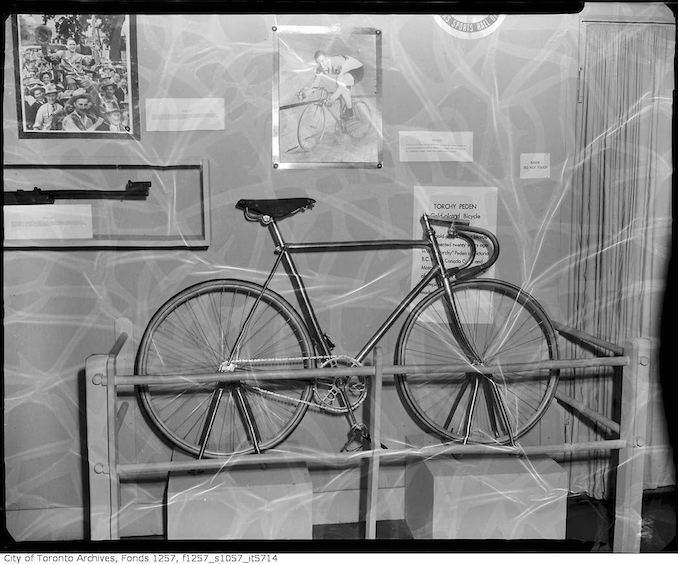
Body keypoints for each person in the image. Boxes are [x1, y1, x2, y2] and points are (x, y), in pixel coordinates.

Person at [310, 50, 364, 118]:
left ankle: (350, 111)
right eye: (319, 63)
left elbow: (342, 84)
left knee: (341, 85)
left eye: (322, 60)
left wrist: (332, 99)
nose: (322, 64)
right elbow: (316, 82)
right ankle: (349, 111)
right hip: (345, 72)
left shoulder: (336, 61)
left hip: (356, 70)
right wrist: (308, 92)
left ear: (327, 57)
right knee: (343, 89)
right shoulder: (320, 67)